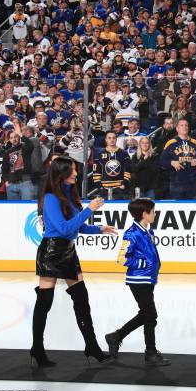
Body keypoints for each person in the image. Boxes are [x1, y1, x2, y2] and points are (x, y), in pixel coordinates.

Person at [31, 156, 117, 368]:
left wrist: (98, 229)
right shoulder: (51, 197)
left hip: (68, 251)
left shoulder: (68, 193)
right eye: (73, 171)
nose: (77, 174)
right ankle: (37, 348)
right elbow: (64, 228)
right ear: (62, 173)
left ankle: (92, 347)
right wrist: (90, 210)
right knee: (44, 303)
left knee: (81, 299)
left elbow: (74, 227)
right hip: (51, 252)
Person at [105, 198, 170, 367]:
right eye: (153, 211)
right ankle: (150, 352)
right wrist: (144, 264)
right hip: (138, 280)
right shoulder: (132, 233)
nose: (155, 214)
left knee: (147, 314)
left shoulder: (147, 231)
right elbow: (122, 259)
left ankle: (116, 336)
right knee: (150, 315)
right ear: (145, 214)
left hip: (147, 279)